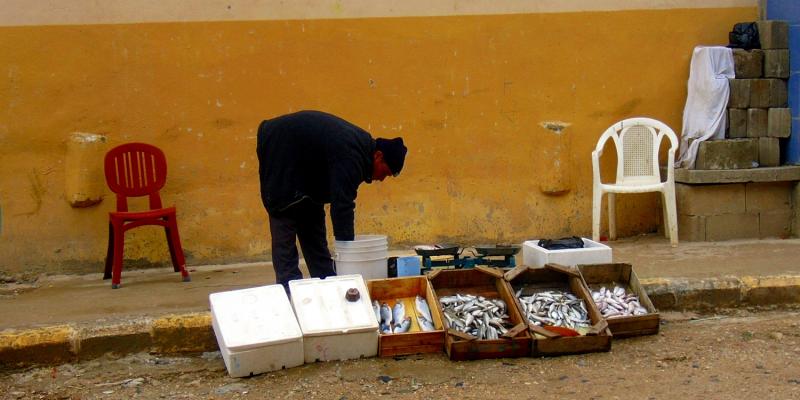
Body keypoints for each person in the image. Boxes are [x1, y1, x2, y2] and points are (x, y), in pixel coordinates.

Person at [256, 110, 407, 291]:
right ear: (378, 156)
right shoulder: (353, 154)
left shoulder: (360, 151)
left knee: (314, 234)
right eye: (386, 172)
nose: (382, 178)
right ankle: (291, 296)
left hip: (306, 177)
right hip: (280, 153)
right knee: (285, 231)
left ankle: (328, 288)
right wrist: (347, 252)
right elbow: (342, 205)